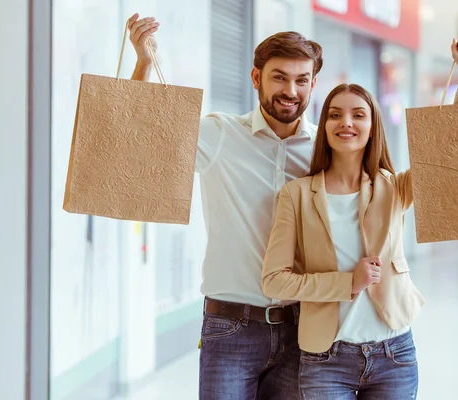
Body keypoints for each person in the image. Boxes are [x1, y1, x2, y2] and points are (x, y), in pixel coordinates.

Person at [261, 39, 458, 399]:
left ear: (372, 126)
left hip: (393, 354)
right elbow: (274, 281)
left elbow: (454, 157)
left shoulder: (394, 188)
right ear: (324, 125)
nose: (345, 122)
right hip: (326, 359)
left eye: (358, 114)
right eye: (335, 114)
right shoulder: (297, 195)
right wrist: (347, 282)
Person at [125, 13, 323, 399]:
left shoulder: (326, 150)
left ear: (313, 84)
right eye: (279, 77)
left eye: (302, 80)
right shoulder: (219, 134)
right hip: (231, 325)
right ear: (256, 78)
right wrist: (144, 63)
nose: (291, 90)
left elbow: (401, 182)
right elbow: (140, 133)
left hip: (306, 328)